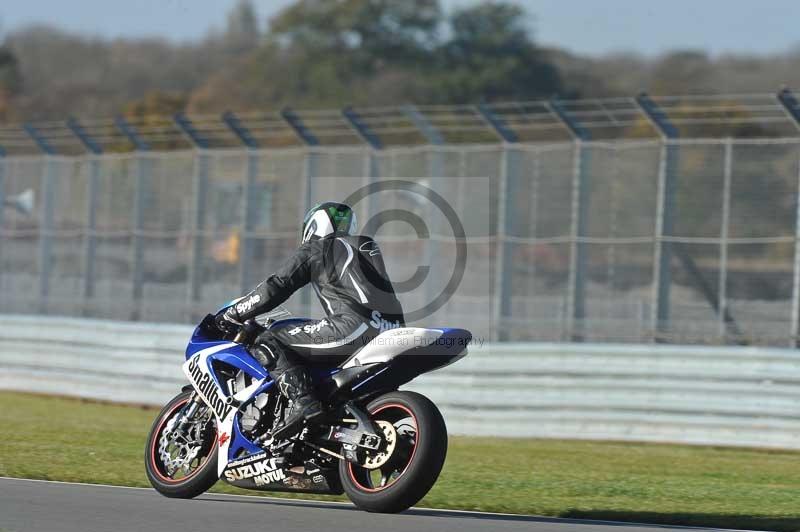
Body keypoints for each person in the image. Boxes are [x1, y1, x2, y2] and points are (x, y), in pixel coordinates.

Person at [215, 202, 405, 439]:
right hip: (392, 329)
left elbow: (275, 287)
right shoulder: (366, 246)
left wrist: (232, 313)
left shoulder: (318, 248)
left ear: (313, 225)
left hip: (354, 328)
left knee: (270, 337)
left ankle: (303, 404)